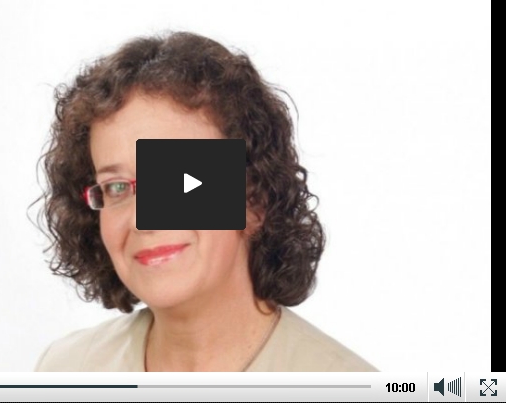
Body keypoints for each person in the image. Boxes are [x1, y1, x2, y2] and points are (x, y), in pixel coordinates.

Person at [35, 31, 376, 372]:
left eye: (177, 177)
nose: (142, 219)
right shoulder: (65, 371)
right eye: (117, 187)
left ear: (254, 198)